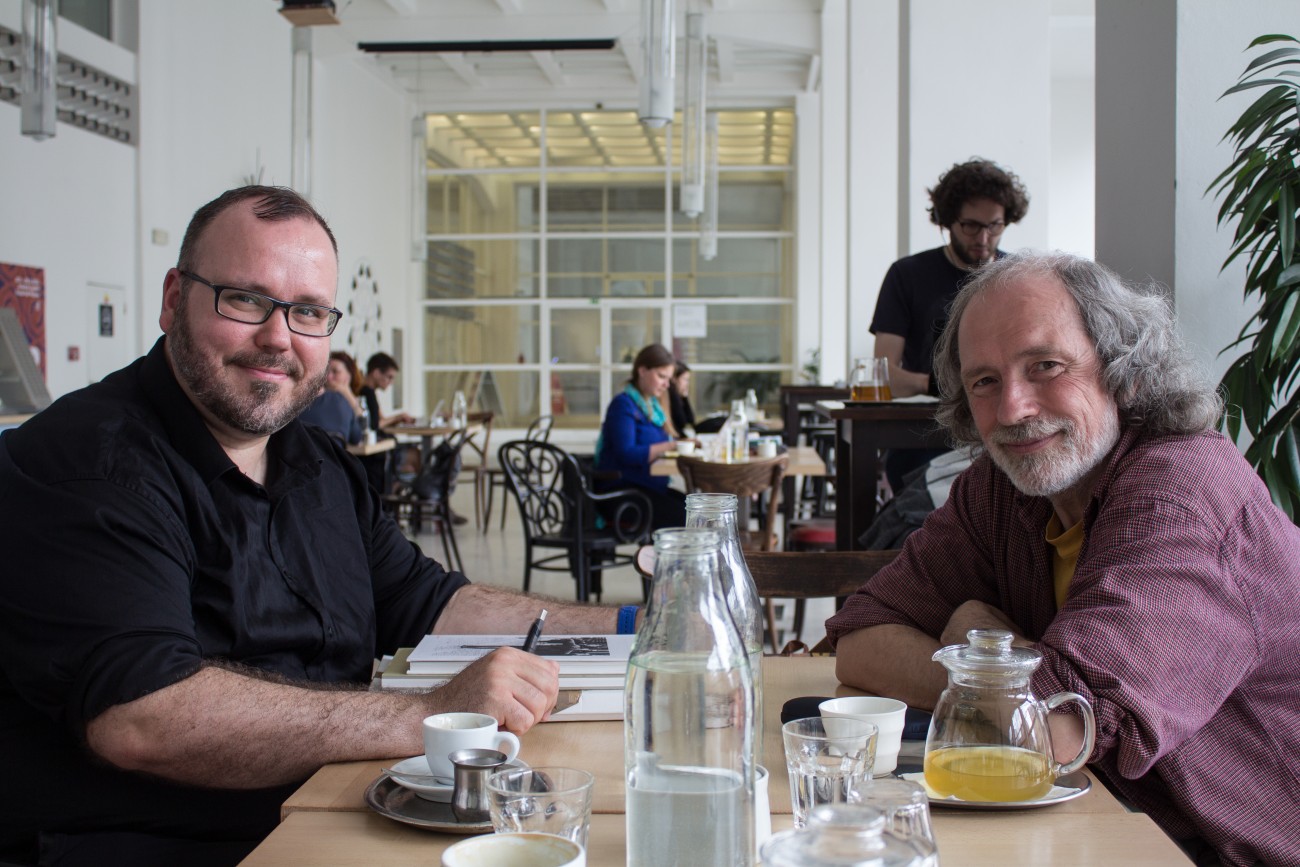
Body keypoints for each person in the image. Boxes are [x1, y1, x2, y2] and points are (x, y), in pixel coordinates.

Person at [0, 186, 643, 866]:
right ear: (171, 300)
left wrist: (642, 627)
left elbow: (431, 602)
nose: (278, 338)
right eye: (245, 299)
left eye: (307, 311)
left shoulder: (318, 463)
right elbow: (142, 714)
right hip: (153, 847)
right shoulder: (85, 465)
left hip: (337, 809)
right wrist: (425, 712)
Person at [827, 252, 1300, 867]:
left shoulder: (1186, 493)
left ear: (1124, 372)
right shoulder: (1005, 488)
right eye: (985, 381)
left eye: (1046, 366)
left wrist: (977, 637)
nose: (1014, 409)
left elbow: (1058, 730)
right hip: (1095, 825)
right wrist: (999, 670)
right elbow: (861, 639)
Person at [870, 158, 1030, 491]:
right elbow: (882, 376)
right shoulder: (908, 275)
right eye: (971, 226)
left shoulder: (1020, 278)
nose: (984, 238)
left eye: (995, 226)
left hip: (1002, 430)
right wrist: (936, 384)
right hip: (923, 439)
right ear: (946, 221)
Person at [594, 343, 686, 529]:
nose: (666, 384)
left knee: (696, 508)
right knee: (688, 516)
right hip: (621, 495)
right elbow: (626, 454)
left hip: (645, 489)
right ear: (642, 370)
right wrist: (671, 446)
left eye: (668, 379)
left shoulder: (651, 407)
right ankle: (663, 558)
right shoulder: (623, 405)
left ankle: (665, 558)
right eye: (661, 376)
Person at [298, 350, 365, 444]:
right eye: (327, 371)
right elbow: (357, 438)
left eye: (335, 372)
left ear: (348, 376)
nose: (328, 377)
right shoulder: (308, 401)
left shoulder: (346, 402)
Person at [668, 360, 696, 439]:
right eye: (684, 379)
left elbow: (691, 420)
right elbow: (682, 423)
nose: (687, 383)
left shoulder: (678, 396)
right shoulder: (671, 395)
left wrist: (685, 397)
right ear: (674, 379)